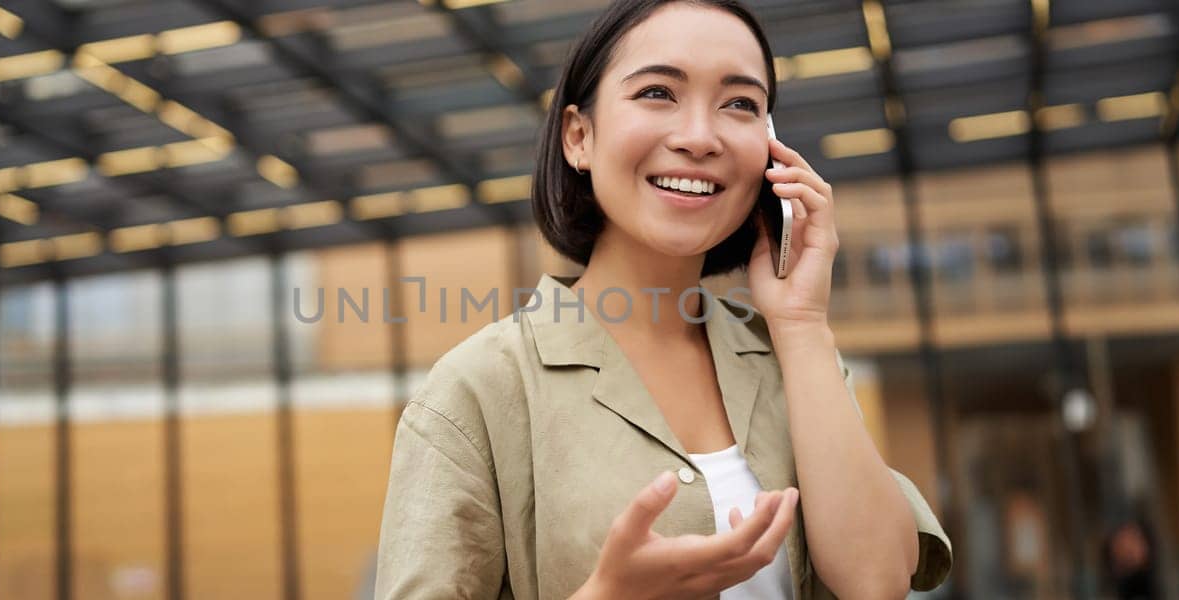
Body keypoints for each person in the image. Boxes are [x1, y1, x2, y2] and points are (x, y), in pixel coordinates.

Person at [375, 1, 951, 598]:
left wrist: (802, 324)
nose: (700, 138)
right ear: (579, 136)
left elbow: (877, 581)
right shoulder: (476, 391)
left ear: (771, 151)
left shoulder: (795, 357)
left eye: (739, 104)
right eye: (657, 92)